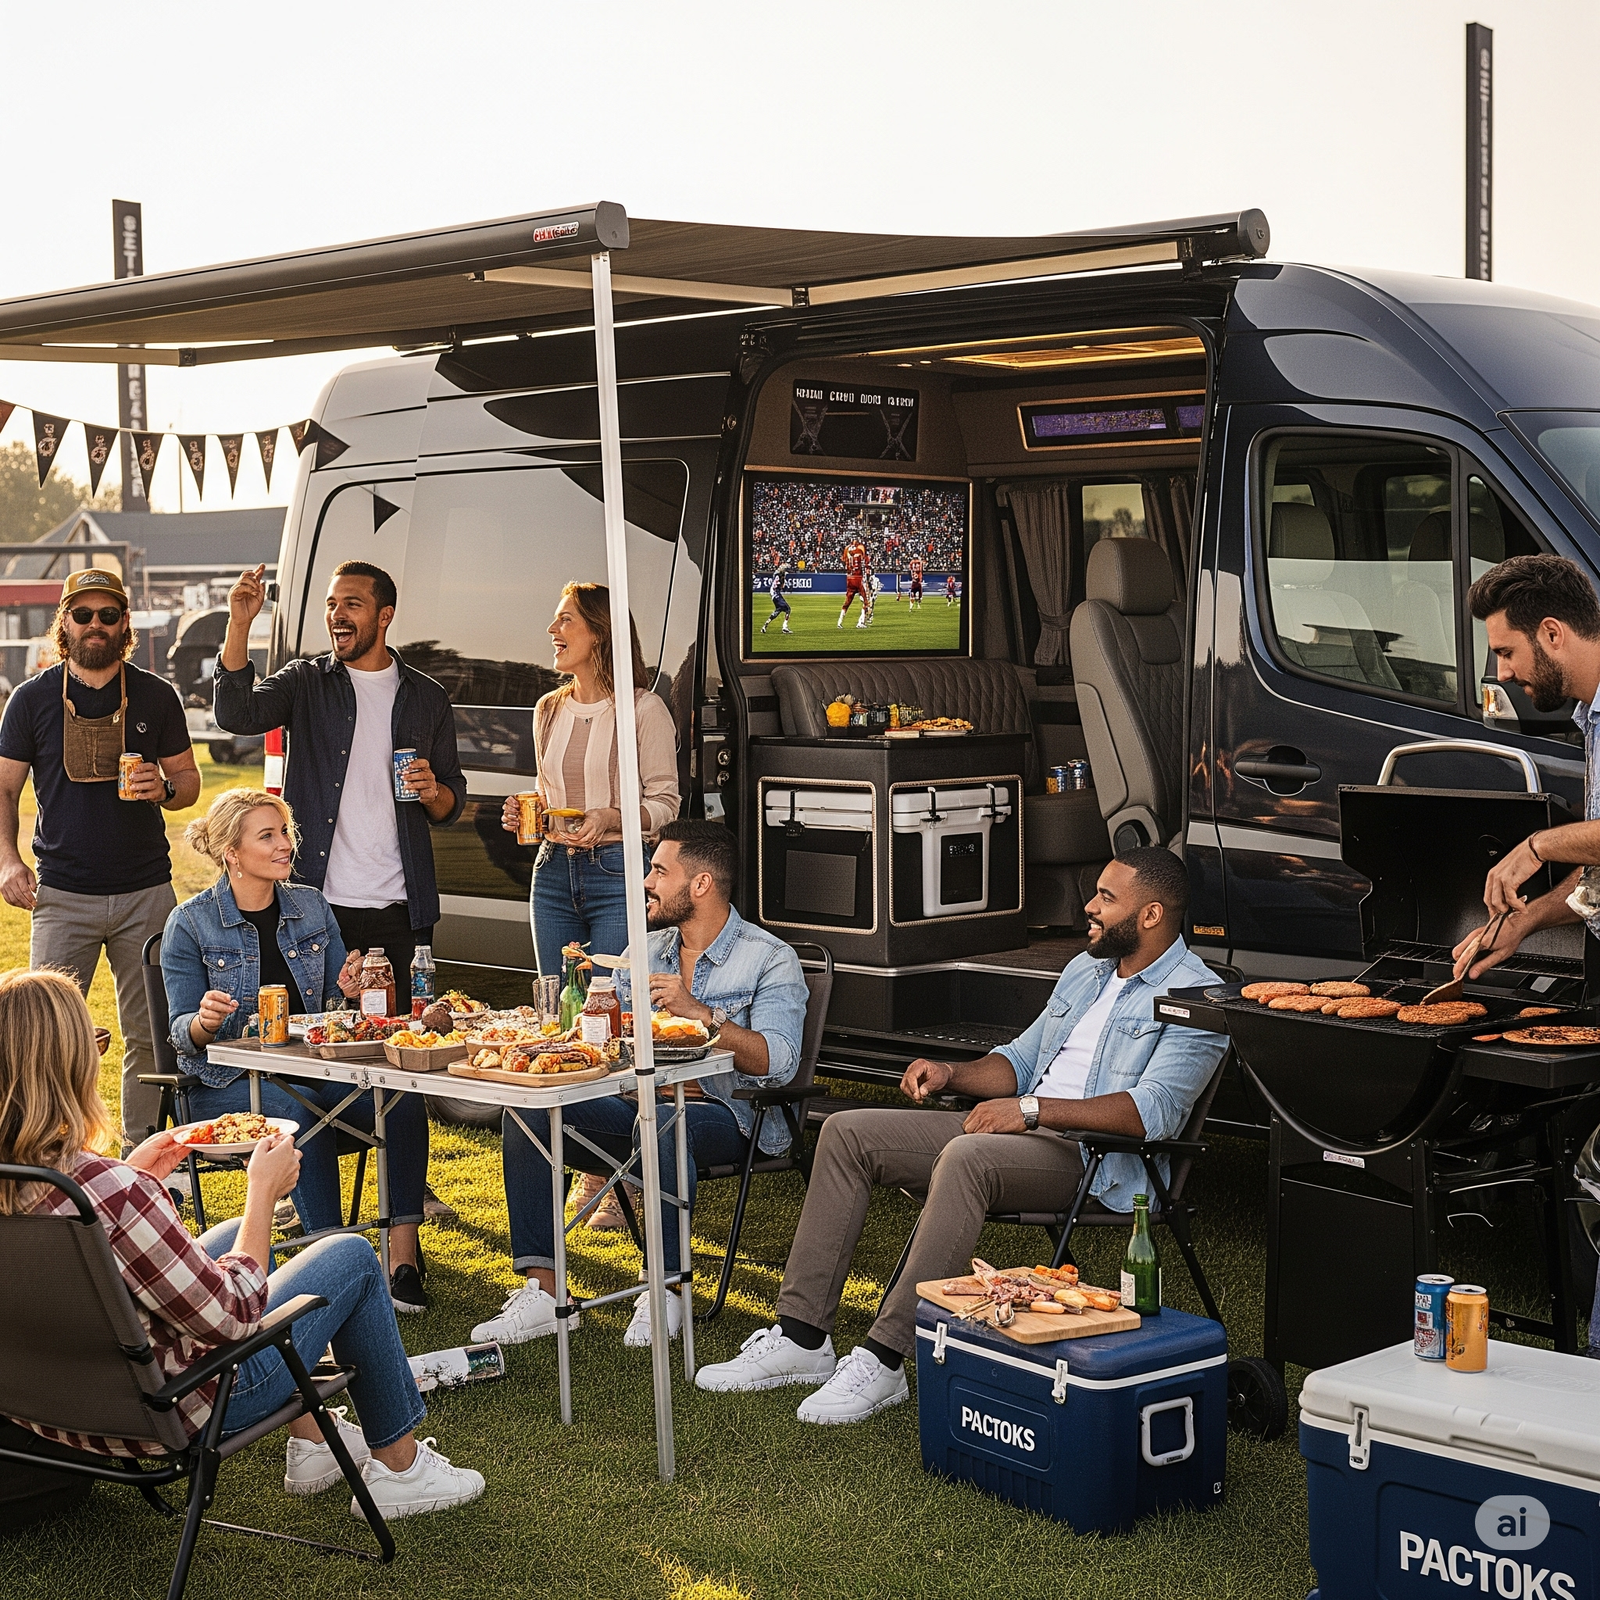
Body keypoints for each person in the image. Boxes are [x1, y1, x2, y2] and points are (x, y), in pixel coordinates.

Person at [695, 849, 1227, 1424]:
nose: (1089, 907)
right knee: (847, 1132)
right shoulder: (1087, 969)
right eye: (1095, 892)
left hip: (1097, 1160)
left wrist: (1030, 1111)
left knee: (967, 1158)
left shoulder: (1198, 997)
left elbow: (1154, 1113)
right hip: (1022, 1128)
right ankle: (802, 1338)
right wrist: (954, 1074)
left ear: (1150, 915)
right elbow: (1021, 1059)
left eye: (1106, 899)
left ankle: (885, 1358)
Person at [0, 967, 484, 1518]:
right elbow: (232, 1316)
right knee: (349, 1257)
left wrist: (139, 1176)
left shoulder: (68, 1186)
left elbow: (84, 1275)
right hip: (177, 1409)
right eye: (97, 1041)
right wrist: (262, 1195)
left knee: (230, 1236)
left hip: (49, 1406)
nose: (100, 1054)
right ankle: (400, 1469)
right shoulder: (113, 1194)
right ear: (68, 1066)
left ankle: (315, 1444)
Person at [472, 821, 807, 1350]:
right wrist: (586, 1007)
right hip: (636, 1104)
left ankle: (668, 1288)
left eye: (658, 871)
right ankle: (542, 1292)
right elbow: (613, 1046)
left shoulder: (769, 958)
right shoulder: (642, 951)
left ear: (700, 884)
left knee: (666, 1121)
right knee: (533, 1109)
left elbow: (781, 1062)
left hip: (733, 1115)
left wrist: (704, 1016)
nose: (646, 882)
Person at [161, 788, 435, 1313]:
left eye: (285, 831)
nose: (285, 844)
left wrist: (348, 989)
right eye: (268, 835)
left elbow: (331, 1006)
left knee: (399, 1097)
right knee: (293, 1113)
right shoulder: (190, 923)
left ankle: (401, 1258)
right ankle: (327, 1266)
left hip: (306, 1068)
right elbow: (181, 1038)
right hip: (222, 1088)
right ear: (231, 854)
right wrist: (203, 1021)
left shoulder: (311, 906)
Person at [1445, 555, 1600, 1358]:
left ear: (1551, 632)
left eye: (1506, 652)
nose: (1501, 672)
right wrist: (1528, 921)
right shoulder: (1591, 715)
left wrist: (1534, 843)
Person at [0, 568, 200, 1149]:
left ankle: (142, 1155)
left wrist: (162, 787)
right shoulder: (32, 698)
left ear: (124, 624)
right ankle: (43, 1148)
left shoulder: (155, 695)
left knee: (149, 1032)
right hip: (61, 894)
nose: (95, 626)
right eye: (82, 615)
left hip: (146, 893)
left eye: (107, 615)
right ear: (64, 623)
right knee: (42, 1034)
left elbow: (189, 781)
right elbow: (5, 790)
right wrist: (8, 863)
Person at [213, 560, 465, 1014]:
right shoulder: (305, 681)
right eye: (331, 604)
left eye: (352, 603)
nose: (337, 615)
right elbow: (236, 715)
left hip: (402, 910)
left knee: (402, 1038)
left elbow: (450, 802)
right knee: (320, 1035)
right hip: (317, 904)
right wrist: (239, 623)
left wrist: (432, 792)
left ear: (384, 616)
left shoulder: (426, 696)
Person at [498, 581, 679, 980]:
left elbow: (666, 806)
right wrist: (527, 811)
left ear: (600, 632)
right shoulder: (548, 708)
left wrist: (611, 818)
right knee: (558, 1003)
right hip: (551, 872)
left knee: (608, 1006)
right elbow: (548, 791)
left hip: (617, 872)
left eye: (565, 620)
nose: (552, 629)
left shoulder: (643, 710)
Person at [836, 538, 870, 629]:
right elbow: (863, 559)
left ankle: (839, 622)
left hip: (849, 578)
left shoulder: (846, 549)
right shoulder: (859, 549)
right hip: (858, 578)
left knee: (847, 602)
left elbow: (843, 559)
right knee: (867, 601)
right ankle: (861, 622)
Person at [761, 562, 794, 636]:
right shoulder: (781, 576)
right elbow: (782, 586)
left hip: (773, 595)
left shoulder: (776, 574)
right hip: (776, 594)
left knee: (778, 610)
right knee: (788, 609)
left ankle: (765, 625)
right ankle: (784, 627)